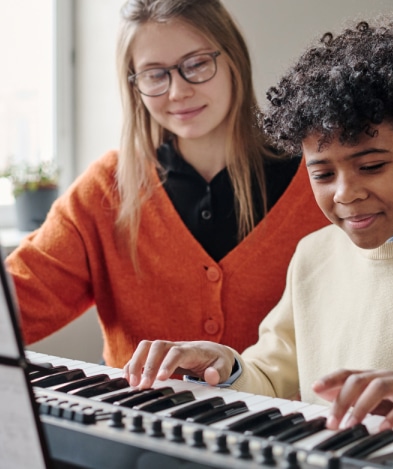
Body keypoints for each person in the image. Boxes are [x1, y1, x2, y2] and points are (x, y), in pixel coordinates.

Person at [124, 13, 393, 455]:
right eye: (323, 173)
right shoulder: (314, 255)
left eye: (371, 166)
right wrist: (225, 366)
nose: (346, 193)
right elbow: (271, 376)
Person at [5, 0, 328, 368]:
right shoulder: (105, 190)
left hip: (288, 424)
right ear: (134, 85)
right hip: (133, 424)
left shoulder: (319, 178)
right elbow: (19, 299)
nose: (177, 92)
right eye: (155, 75)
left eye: (196, 64)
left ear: (233, 58)